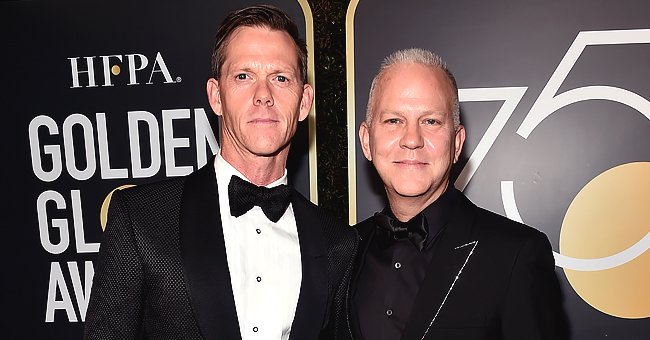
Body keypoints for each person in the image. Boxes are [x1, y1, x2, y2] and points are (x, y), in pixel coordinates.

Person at [83, 5, 357, 340]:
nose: (263, 96)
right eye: (243, 76)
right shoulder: (140, 218)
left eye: (280, 78)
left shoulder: (337, 242)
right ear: (216, 96)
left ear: (303, 102)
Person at [350, 48, 569, 340]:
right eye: (393, 121)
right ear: (366, 141)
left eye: (431, 121)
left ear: (456, 144)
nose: (412, 139)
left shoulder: (516, 255)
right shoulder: (342, 252)